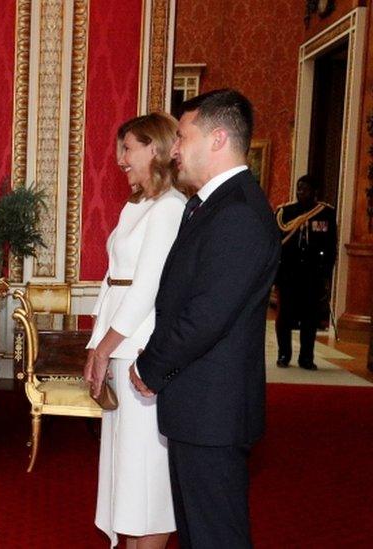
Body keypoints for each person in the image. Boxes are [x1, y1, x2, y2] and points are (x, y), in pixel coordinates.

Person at [130, 89, 280, 548]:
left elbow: (205, 316)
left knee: (217, 536)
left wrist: (149, 367)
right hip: (198, 406)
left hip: (213, 410)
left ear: (217, 139)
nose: (174, 148)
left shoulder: (238, 213)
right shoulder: (213, 205)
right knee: (199, 534)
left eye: (182, 136)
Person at [84, 112, 184, 549]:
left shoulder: (170, 208)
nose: (120, 158)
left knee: (147, 471)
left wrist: (104, 349)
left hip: (142, 347)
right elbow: (112, 282)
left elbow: (146, 288)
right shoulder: (139, 206)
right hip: (120, 344)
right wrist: (97, 346)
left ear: (155, 150)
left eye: (128, 148)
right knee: (128, 468)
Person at [274, 175, 337, 370]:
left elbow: (329, 247)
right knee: (284, 316)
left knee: (310, 318)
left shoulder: (325, 214)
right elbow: (277, 244)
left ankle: (306, 357)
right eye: (299, 188)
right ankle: (284, 354)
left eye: (305, 189)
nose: (301, 193)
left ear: (315, 192)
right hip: (289, 273)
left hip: (312, 274)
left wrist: (326, 273)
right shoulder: (285, 212)